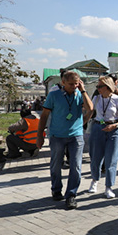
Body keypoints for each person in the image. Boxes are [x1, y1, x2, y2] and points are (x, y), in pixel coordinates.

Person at [36, 70, 94, 210]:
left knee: (76, 165)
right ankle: (56, 189)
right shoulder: (54, 95)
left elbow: (90, 108)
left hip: (76, 136)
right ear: (63, 82)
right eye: (71, 84)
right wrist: (39, 136)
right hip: (57, 136)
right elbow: (44, 116)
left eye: (76, 84)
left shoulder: (80, 94)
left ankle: (71, 195)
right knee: (56, 164)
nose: (74, 86)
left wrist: (83, 91)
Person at [87, 76, 118, 199]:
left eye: (100, 86)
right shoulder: (96, 98)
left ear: (108, 86)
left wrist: (115, 125)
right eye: (97, 86)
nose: (98, 89)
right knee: (95, 157)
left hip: (114, 130)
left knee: (111, 160)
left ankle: (109, 187)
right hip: (98, 128)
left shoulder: (117, 99)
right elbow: (88, 112)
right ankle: (94, 181)